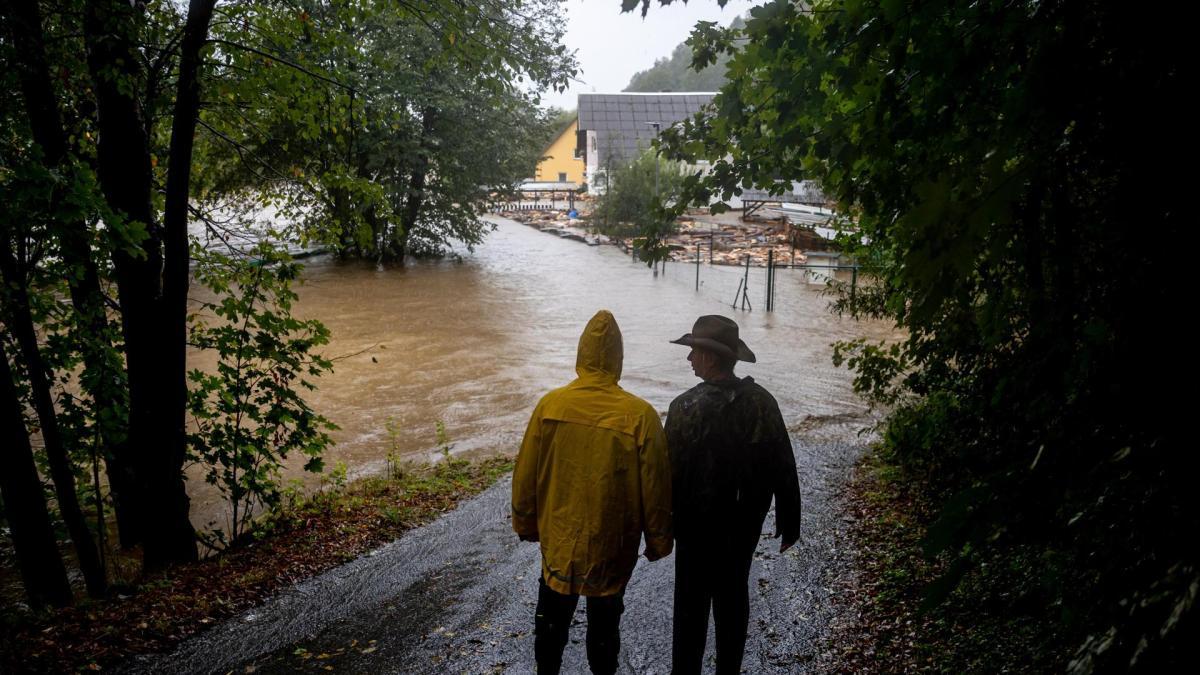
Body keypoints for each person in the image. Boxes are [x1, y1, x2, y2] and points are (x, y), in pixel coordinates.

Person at [512, 309, 673, 675]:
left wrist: (525, 522)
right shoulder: (640, 415)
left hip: (560, 539)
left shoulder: (550, 405)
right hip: (611, 542)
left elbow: (525, 472)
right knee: (604, 625)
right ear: (617, 358)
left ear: (581, 354)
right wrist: (659, 540)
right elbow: (657, 487)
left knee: (551, 620)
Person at [665, 315, 802, 675]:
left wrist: (658, 525)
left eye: (694, 352)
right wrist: (789, 524)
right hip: (742, 524)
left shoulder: (684, 407)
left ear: (710, 357)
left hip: (694, 527)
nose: (689, 359)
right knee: (733, 598)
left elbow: (667, 474)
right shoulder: (762, 402)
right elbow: (782, 462)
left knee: (690, 607)